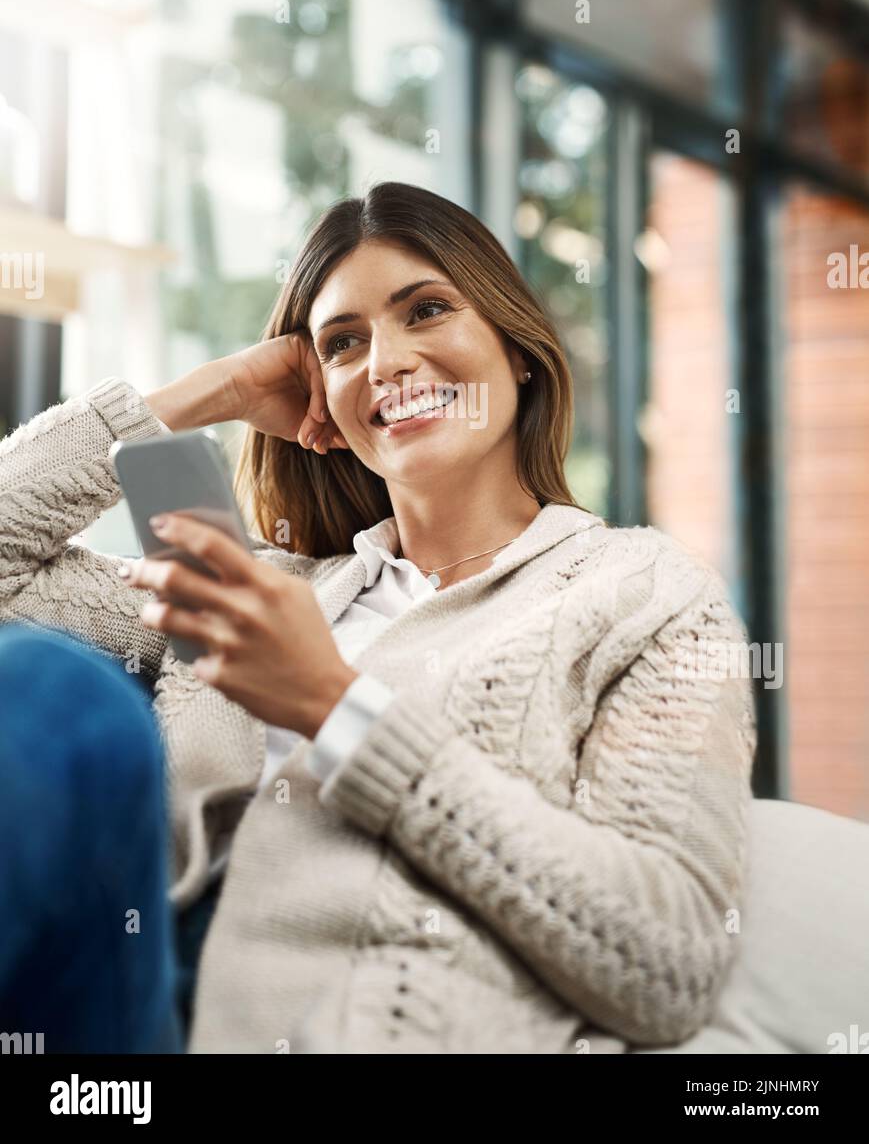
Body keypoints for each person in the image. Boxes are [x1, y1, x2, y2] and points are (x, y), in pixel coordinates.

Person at [0, 180, 757, 1054]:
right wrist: (220, 388)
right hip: (115, 1008)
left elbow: (670, 963)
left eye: (426, 310)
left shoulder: (644, 594)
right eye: (342, 343)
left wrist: (333, 706)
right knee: (48, 689)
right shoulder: (263, 589)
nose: (385, 362)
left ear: (517, 349)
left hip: (340, 1030)